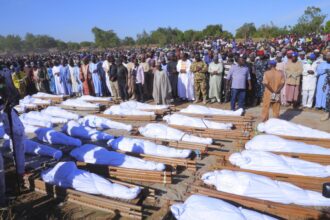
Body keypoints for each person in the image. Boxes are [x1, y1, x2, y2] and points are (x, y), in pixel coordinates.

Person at [0, 65, 25, 207]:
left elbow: (5, 90)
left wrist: (6, 101)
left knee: (19, 134)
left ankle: (3, 197)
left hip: (6, 111)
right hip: (5, 112)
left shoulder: (3, 81)